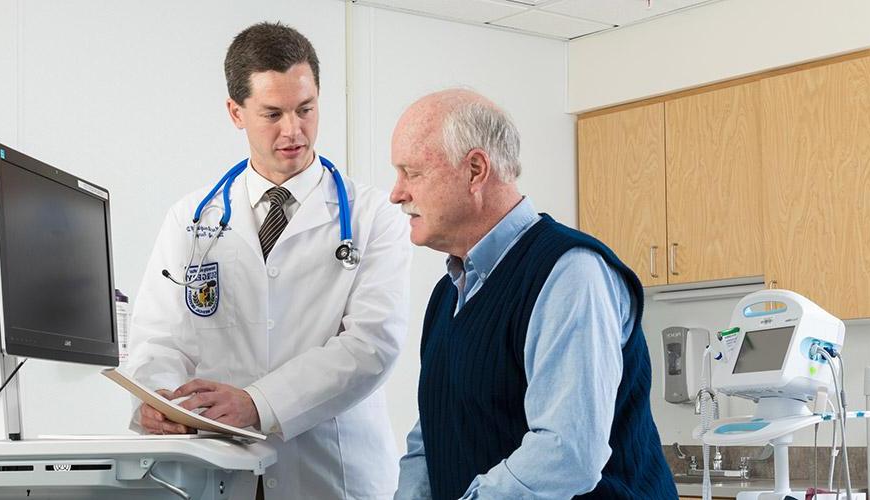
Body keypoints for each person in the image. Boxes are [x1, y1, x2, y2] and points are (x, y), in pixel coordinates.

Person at [126, 22, 411, 499]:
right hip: (219, 471)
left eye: (306, 109)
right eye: (272, 114)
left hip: (330, 474)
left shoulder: (372, 215)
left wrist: (258, 404)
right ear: (236, 113)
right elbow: (159, 337)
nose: (293, 131)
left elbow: (371, 345)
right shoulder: (190, 219)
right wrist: (155, 401)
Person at [388, 89, 677, 499]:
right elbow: (430, 435)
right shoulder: (447, 294)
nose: (397, 193)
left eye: (411, 173)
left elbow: (568, 452)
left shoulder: (569, 274)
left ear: (475, 170)